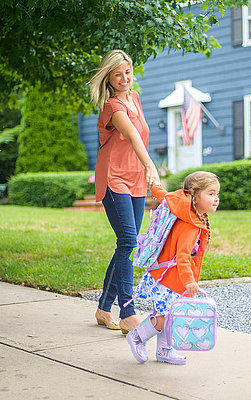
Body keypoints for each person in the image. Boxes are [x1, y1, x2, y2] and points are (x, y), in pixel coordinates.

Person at [88, 49, 160, 334]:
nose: (124, 78)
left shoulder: (136, 99)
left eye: (127, 72)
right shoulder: (112, 107)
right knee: (129, 241)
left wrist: (145, 172)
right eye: (117, 74)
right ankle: (128, 312)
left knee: (125, 244)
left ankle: (104, 308)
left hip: (135, 180)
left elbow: (140, 134)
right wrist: (152, 166)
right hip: (114, 178)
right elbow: (131, 134)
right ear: (109, 77)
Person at [126, 171, 220, 365]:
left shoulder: (185, 210)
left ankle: (164, 351)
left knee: (171, 317)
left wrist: (154, 185)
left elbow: (165, 196)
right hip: (170, 280)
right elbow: (183, 257)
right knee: (163, 319)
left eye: (217, 194)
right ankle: (137, 336)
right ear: (195, 196)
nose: (216, 198)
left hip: (170, 278)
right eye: (210, 194)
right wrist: (190, 282)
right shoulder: (190, 224)